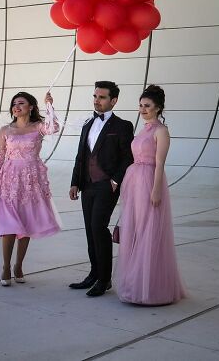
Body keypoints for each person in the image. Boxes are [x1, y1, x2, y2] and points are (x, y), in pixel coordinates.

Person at [115, 85, 187, 305]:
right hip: (135, 180)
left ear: (158, 108)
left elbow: (160, 163)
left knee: (149, 230)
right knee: (136, 230)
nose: (142, 109)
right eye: (140, 105)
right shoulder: (143, 129)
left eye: (147, 106)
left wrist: (156, 189)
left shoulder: (161, 131)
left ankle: (151, 288)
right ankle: (134, 283)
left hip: (149, 181)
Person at [0, 91, 62, 286]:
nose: (16, 106)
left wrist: (49, 105)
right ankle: (5, 266)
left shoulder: (38, 127)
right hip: (8, 180)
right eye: (14, 104)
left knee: (26, 224)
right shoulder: (5, 130)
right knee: (8, 225)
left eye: (21, 103)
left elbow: (54, 127)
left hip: (31, 181)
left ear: (30, 107)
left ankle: (18, 265)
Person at [69, 81, 134, 297]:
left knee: (99, 227)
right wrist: (75, 182)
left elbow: (128, 156)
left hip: (107, 185)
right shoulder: (88, 123)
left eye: (102, 97)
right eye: (95, 96)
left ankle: (105, 279)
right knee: (90, 229)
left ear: (113, 100)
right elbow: (81, 155)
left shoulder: (123, 126)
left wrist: (115, 180)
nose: (97, 100)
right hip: (87, 184)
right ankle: (94, 273)